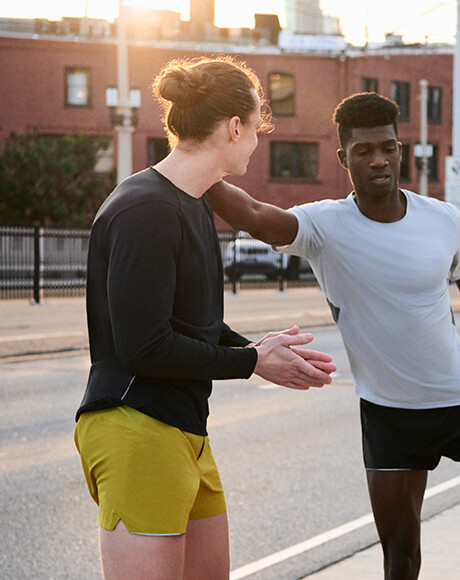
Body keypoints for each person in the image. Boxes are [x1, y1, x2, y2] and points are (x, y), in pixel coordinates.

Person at [206, 92, 460, 580]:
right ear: (343, 159)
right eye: (364, 151)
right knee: (400, 556)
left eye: (388, 148)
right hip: (388, 416)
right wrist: (196, 162)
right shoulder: (323, 226)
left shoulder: (442, 219)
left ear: (401, 150)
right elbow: (251, 214)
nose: (378, 160)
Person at [74, 56, 337, 580]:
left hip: (186, 427)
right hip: (135, 427)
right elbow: (144, 347)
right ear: (234, 127)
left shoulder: (191, 203)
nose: (257, 141)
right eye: (257, 127)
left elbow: (194, 324)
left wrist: (258, 351)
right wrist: (250, 362)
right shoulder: (145, 209)